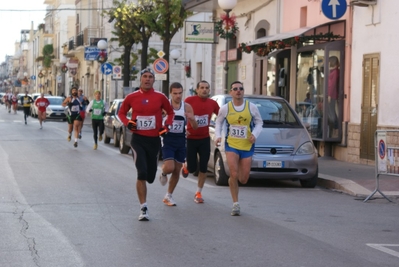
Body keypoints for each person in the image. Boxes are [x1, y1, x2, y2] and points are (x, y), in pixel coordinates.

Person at [118, 68, 174, 221]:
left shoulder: (160, 97)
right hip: (138, 140)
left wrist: (166, 126)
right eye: (145, 77)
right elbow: (121, 113)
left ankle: (156, 174)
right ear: (140, 79)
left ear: (154, 80)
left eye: (150, 77)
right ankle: (143, 207)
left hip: (154, 140)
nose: (147, 79)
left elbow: (170, 113)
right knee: (141, 173)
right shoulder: (132, 97)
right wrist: (128, 123)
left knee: (149, 177)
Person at [214, 81, 263, 216]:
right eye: (235, 89)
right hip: (232, 144)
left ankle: (236, 189)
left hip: (247, 145)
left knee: (243, 179)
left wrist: (254, 134)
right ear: (231, 92)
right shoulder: (225, 108)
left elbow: (259, 122)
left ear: (243, 91)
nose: (238, 91)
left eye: (241, 88)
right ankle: (235, 204)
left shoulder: (251, 107)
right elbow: (218, 122)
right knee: (234, 174)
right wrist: (217, 136)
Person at [159, 82, 198, 206]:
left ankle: (168, 195)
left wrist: (192, 119)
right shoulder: (164, 106)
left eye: (180, 93)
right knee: (170, 167)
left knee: (177, 170)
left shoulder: (187, 107)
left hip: (181, 140)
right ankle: (164, 172)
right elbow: (156, 122)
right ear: (170, 93)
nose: (178, 96)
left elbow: (195, 127)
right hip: (167, 140)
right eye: (175, 93)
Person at [183, 80, 220, 204]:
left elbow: (221, 118)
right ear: (197, 90)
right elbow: (179, 115)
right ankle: (186, 165)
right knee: (193, 168)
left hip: (204, 138)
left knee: (203, 167)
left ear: (209, 90)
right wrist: (184, 129)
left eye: (207, 88)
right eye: (202, 88)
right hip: (191, 138)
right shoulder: (189, 101)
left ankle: (198, 192)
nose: (204, 90)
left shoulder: (213, 103)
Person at [328, 56, 340, 138]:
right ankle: (334, 128)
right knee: (332, 112)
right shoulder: (333, 71)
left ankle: (336, 128)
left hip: (332, 95)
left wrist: (329, 95)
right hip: (331, 95)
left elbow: (332, 85)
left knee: (332, 113)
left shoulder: (335, 72)